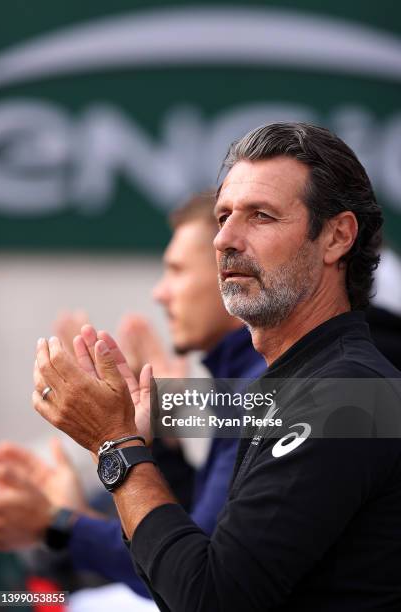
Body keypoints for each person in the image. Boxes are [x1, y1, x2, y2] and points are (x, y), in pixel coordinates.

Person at [31, 122, 401, 611]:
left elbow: (209, 598)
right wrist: (145, 443)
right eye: (223, 216)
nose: (224, 238)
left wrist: (114, 446)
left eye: (261, 216)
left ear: (337, 237)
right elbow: (192, 562)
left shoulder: (346, 394)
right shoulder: (300, 383)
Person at [0, 193, 265, 600]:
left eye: (176, 271)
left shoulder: (273, 388)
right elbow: (192, 528)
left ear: (233, 274)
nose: (161, 293)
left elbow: (195, 577)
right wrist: (156, 444)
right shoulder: (242, 385)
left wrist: (61, 522)